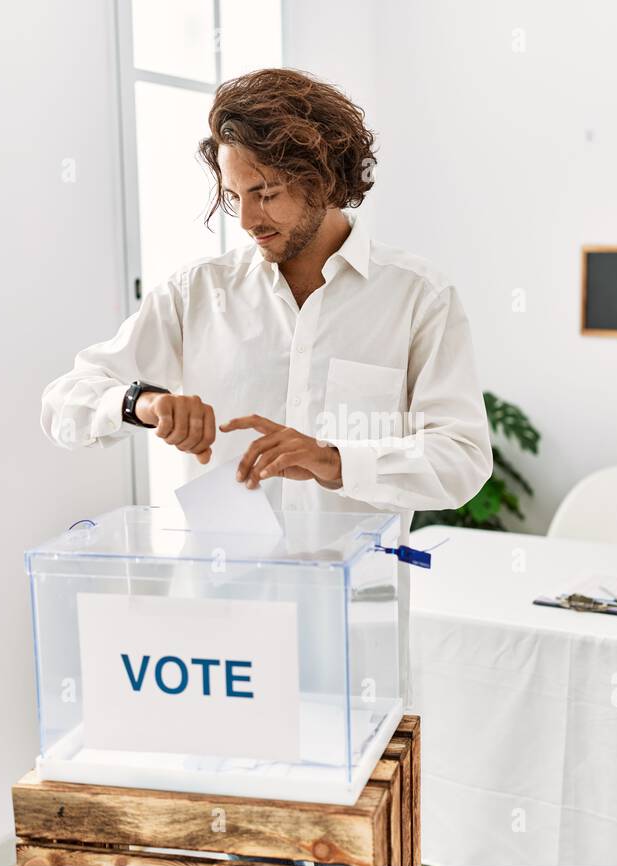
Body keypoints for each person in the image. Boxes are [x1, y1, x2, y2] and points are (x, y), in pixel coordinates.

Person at [41, 67, 492, 530]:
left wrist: (333, 461)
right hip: (227, 594)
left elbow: (462, 457)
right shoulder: (197, 293)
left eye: (267, 194)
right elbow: (63, 403)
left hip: (359, 597)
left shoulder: (418, 296)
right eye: (236, 197)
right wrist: (143, 404)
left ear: (324, 179)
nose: (247, 220)